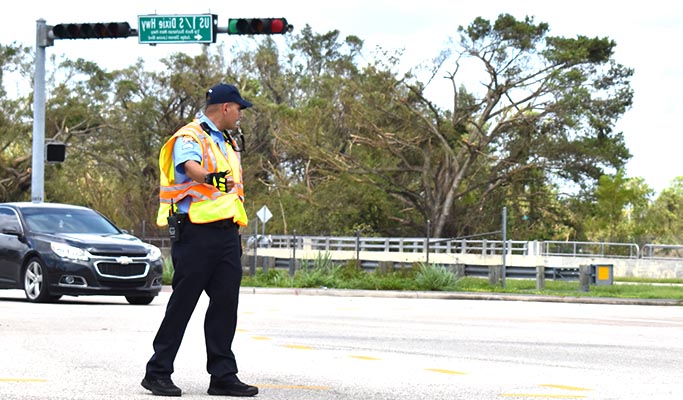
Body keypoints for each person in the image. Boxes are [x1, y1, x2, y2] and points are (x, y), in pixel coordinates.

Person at [141, 83, 257, 397]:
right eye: (239, 109)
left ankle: (222, 375)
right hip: (196, 234)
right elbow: (189, 166)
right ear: (226, 107)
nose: (241, 115)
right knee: (183, 304)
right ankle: (158, 372)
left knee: (225, 305)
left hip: (226, 234)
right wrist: (210, 177)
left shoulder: (227, 140)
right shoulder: (191, 135)